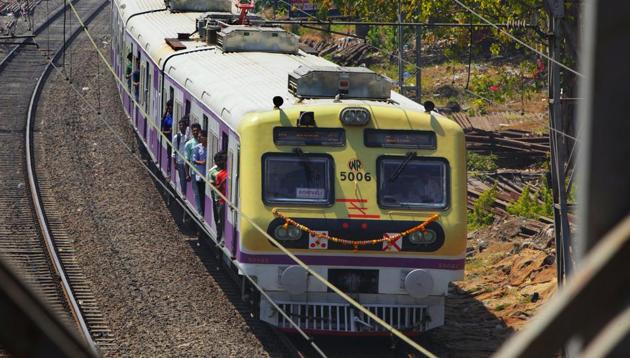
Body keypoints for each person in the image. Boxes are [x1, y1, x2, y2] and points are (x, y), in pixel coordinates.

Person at [208, 151, 227, 237]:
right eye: (221, 161)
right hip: (218, 198)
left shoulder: (227, 170)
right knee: (219, 218)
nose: (222, 163)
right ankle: (219, 235)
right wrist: (223, 182)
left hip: (225, 198)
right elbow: (213, 187)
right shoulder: (213, 172)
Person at [192, 130, 208, 215]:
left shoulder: (210, 147)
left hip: (207, 176)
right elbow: (193, 160)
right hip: (200, 175)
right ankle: (202, 212)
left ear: (205, 138)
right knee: (201, 194)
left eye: (200, 136)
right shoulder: (197, 147)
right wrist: (202, 163)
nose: (198, 138)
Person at [172, 116, 190, 195]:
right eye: (180, 125)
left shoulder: (187, 137)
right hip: (179, 161)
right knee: (182, 178)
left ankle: (186, 192)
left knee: (187, 177)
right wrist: (174, 163)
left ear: (186, 127)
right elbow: (174, 150)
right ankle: (183, 192)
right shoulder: (176, 137)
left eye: (182, 125)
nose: (181, 127)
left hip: (186, 160)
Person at [161, 100, 174, 173]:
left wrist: (167, 131)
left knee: (171, 154)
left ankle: (170, 170)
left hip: (171, 138)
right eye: (167, 108)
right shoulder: (168, 116)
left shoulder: (173, 117)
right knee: (169, 154)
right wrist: (165, 112)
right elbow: (163, 123)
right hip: (169, 138)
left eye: (170, 108)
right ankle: (169, 169)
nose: (169, 109)